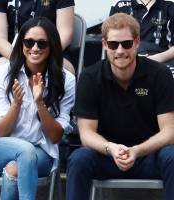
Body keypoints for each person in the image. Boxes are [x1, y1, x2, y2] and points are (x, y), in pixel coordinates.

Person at [66, 13, 174, 200]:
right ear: (105, 45)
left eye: (127, 44)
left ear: (137, 42)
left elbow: (170, 131)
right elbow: (86, 134)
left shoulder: (160, 74)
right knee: (78, 159)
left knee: (173, 156)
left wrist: (137, 151)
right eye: (114, 45)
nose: (120, 51)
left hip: (149, 156)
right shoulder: (90, 78)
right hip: (107, 156)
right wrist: (111, 148)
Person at [0, 17, 75, 200]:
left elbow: (55, 137)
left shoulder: (66, 80)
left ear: (52, 46)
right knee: (25, 150)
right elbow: (1, 131)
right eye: (29, 42)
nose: (35, 48)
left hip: (41, 151)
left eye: (42, 43)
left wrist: (40, 103)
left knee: (15, 168)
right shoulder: (2, 74)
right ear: (21, 44)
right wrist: (16, 104)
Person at [0, 0, 75, 74]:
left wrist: (42, 56)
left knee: (64, 70)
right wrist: (20, 58)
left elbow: (65, 34)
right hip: (12, 52)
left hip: (52, 52)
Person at [109, 0, 174, 66]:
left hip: (158, 60)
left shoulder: (169, 7)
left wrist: (156, 58)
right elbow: (110, 39)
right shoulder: (121, 5)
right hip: (125, 58)